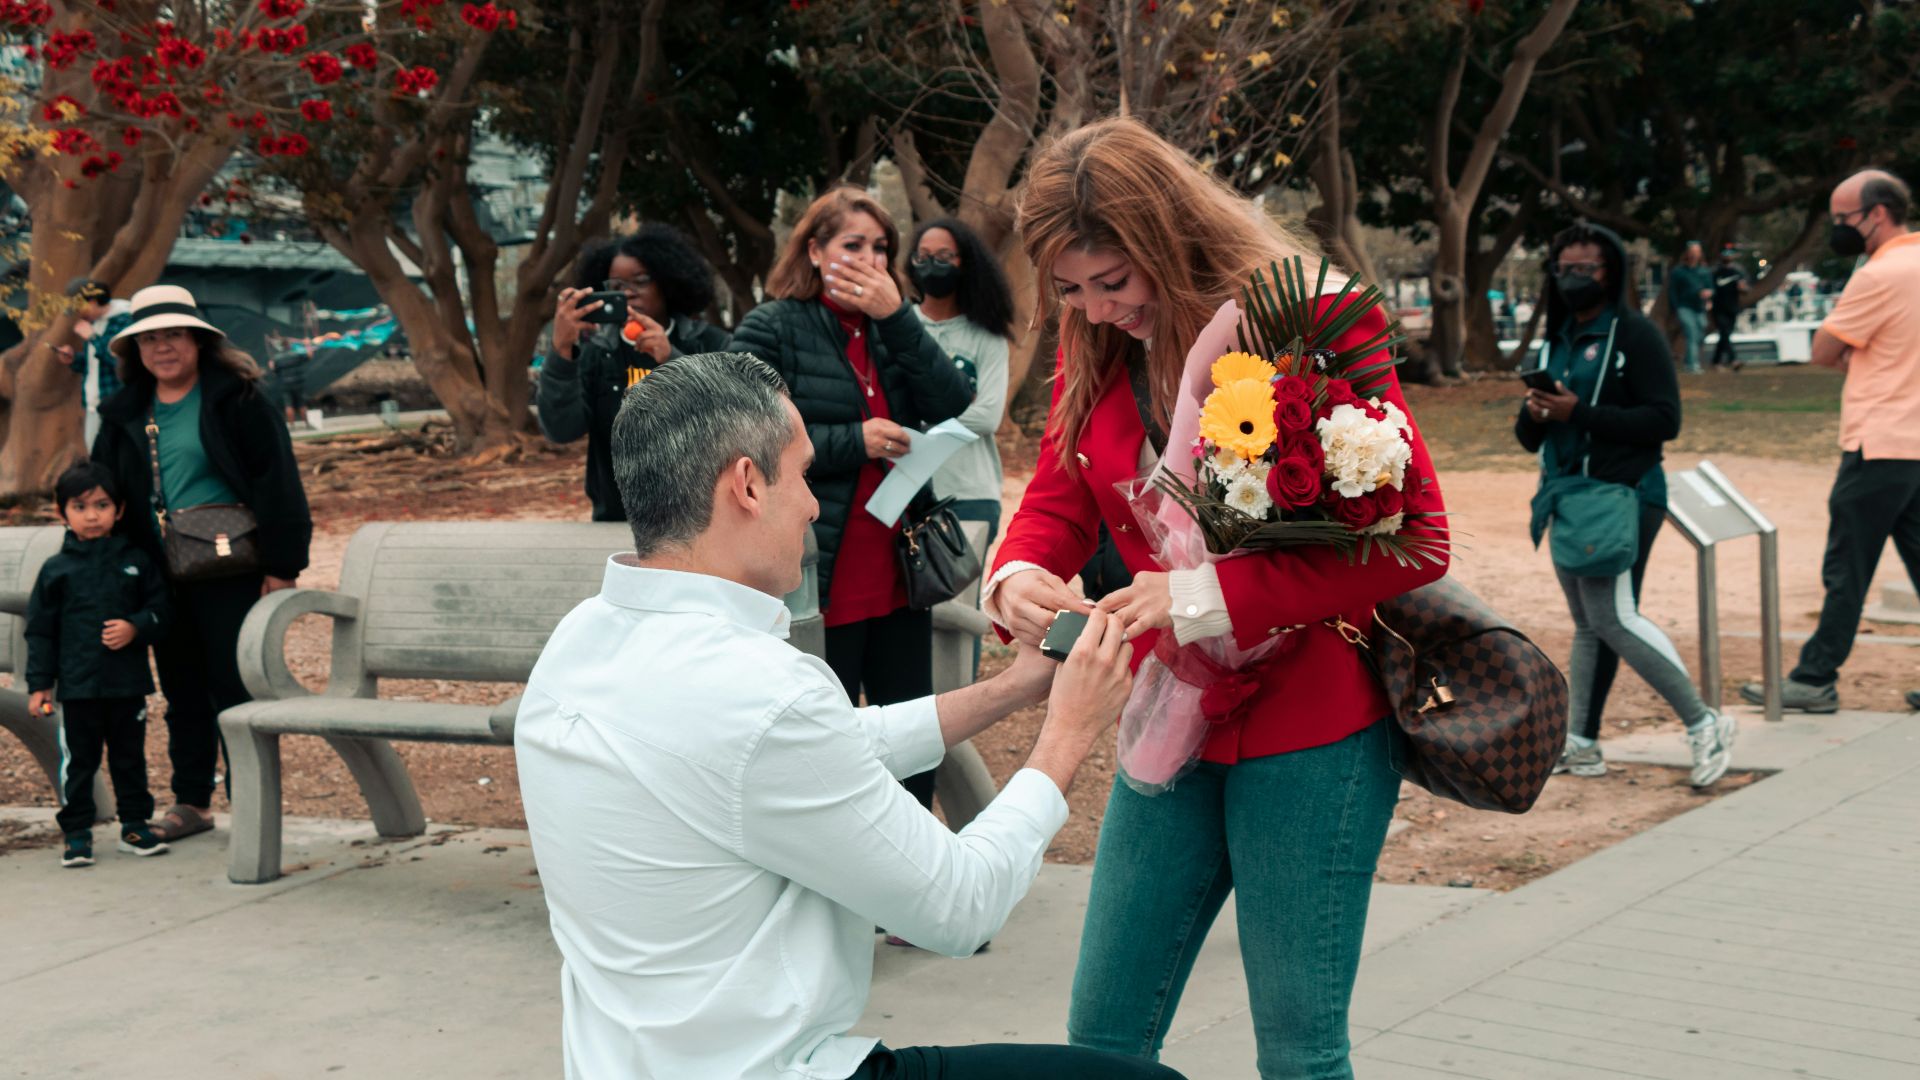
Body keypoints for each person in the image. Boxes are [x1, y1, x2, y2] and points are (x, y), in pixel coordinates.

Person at [513, 351, 1183, 1080]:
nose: (810, 505)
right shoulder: (759, 691)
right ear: (744, 484)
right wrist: (1069, 734)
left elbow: (810, 752)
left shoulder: (582, 639)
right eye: (803, 476)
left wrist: (1016, 689)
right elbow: (959, 907)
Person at [985, 117, 1448, 1079]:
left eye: (1114, 281)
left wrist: (1201, 594)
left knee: (1299, 1053)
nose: (1097, 308)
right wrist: (1017, 573)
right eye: (1069, 289)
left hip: (1315, 728)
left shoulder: (1313, 317)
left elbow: (1417, 541)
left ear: (1171, 238)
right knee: (1103, 1040)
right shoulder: (1094, 335)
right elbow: (1062, 492)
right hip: (1170, 718)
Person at [730, 188, 974, 813]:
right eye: (852, 245)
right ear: (814, 251)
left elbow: (951, 401)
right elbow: (742, 433)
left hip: (899, 566)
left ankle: (910, 870)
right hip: (820, 566)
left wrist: (898, 318)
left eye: (881, 248)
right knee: (826, 741)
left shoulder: (893, 326)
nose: (870, 259)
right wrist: (852, 440)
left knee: (911, 733)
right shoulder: (772, 325)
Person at [91, 285, 313, 843]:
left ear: (197, 340)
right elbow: (105, 492)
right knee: (181, 690)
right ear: (134, 349)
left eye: (173, 334)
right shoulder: (122, 413)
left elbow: (278, 485)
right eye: (149, 338)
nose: (162, 347)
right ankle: (191, 802)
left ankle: (255, 804)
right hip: (158, 574)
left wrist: (283, 567)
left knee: (235, 688)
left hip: (231, 569)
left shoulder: (238, 399)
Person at [1518, 223, 1735, 786]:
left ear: (1609, 272)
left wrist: (1578, 413)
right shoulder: (1556, 337)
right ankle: (1583, 744)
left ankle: (1705, 721)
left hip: (1624, 495)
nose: (1572, 279)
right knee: (1590, 624)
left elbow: (1666, 420)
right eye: (1563, 269)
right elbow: (1528, 436)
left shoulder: (1636, 335)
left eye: (1584, 269)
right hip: (1566, 497)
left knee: (1614, 616)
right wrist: (1539, 413)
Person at [1741, 169, 1919, 714]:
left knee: (1847, 568)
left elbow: (1823, 350)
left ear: (1878, 213)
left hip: (1878, 440)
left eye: (1843, 219)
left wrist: (1855, 353)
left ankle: (1815, 677)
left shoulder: (1879, 275)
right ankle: (1816, 674)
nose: (1838, 228)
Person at [28, 461, 171, 868]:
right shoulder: (56, 570)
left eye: (102, 505)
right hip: (77, 688)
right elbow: (40, 631)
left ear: (120, 510)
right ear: (62, 513)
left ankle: (135, 826)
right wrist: (40, 685)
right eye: (80, 506)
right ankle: (76, 833)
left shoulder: (138, 561)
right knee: (79, 763)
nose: (92, 516)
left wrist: (136, 626)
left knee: (130, 758)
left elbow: (162, 610)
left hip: (127, 684)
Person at [537, 223, 732, 521]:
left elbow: (731, 420)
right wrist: (562, 351)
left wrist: (672, 359)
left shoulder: (710, 343)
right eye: (616, 286)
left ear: (668, 283)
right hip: (618, 520)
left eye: (640, 281)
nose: (627, 293)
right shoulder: (596, 354)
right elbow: (562, 430)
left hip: (702, 519)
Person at [911, 216, 1014, 676]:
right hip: (905, 493)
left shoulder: (986, 336)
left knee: (955, 617)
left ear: (965, 264)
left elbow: (987, 415)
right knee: (909, 620)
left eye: (945, 257)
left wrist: (915, 432)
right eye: (924, 257)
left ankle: (958, 722)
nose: (933, 266)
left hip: (970, 494)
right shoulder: (897, 327)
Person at [54, 279, 132, 447]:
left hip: (117, 402)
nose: (78, 313)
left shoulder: (124, 319)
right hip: (93, 404)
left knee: (116, 453)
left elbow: (118, 361)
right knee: (94, 455)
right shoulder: (95, 324)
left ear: (93, 301)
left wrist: (92, 337)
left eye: (79, 306)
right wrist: (74, 359)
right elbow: (96, 365)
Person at [1666, 241, 1712, 374]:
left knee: (1699, 334)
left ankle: (1688, 360)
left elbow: (1711, 288)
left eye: (1697, 252)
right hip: (1684, 307)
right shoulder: (1678, 272)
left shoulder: (1704, 271)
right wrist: (1676, 308)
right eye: (1692, 251)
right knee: (1691, 333)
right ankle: (1693, 365)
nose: (1694, 255)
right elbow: (1672, 291)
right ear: (1687, 253)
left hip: (1700, 307)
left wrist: (1708, 293)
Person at [1708, 247, 1749, 370]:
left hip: (1732, 307)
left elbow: (1745, 289)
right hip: (1718, 308)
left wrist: (1742, 288)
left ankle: (1716, 361)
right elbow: (1709, 289)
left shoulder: (1738, 272)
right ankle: (1733, 359)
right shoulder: (1715, 273)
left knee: (1725, 335)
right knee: (1724, 332)